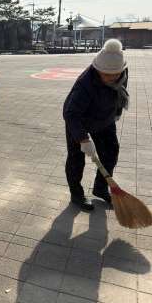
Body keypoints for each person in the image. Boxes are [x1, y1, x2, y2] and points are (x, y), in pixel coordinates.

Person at [63, 39, 129, 211]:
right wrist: (83, 139)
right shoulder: (85, 84)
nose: (111, 78)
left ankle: (101, 188)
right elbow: (71, 114)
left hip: (104, 118)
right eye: (106, 75)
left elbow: (118, 94)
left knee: (111, 152)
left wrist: (116, 113)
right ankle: (76, 194)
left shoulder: (121, 72)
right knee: (76, 159)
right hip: (78, 120)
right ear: (98, 69)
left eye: (115, 74)